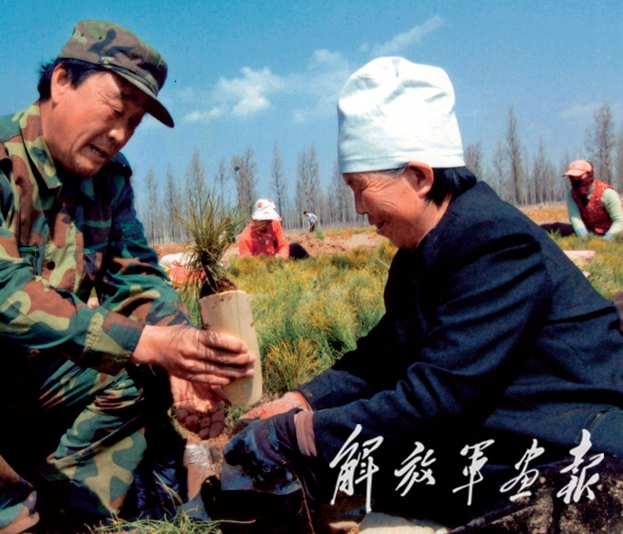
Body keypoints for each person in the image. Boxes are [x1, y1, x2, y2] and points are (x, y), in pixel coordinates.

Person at [0, 20, 254, 534]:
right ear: (62, 81)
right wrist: (153, 343)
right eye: (115, 110)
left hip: (33, 385)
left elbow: (137, 279)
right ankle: (4, 513)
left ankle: (69, 501)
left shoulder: (109, 181)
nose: (120, 134)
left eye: (134, 123)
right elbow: (4, 293)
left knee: (150, 361)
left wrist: (184, 357)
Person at [223, 57, 623, 527]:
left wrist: (301, 435)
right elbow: (385, 356)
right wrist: (303, 401)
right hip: (510, 436)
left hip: (575, 449)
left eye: (361, 188)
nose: (358, 207)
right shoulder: (421, 251)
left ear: (420, 176)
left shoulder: (495, 245)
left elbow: (436, 398)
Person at [544, 160, 623, 239]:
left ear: (590, 175)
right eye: (572, 178)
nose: (576, 181)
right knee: (552, 228)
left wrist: (607, 238)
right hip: (586, 230)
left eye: (580, 177)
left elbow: (619, 221)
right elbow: (575, 217)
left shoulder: (607, 193)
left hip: (608, 232)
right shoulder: (571, 193)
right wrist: (583, 235)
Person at [238, 199, 310, 260]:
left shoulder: (274, 224)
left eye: (270, 220)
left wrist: (281, 258)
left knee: (296, 247)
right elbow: (247, 262)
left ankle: (313, 264)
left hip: (277, 259)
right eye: (264, 220)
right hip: (261, 266)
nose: (267, 223)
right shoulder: (246, 237)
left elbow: (283, 245)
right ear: (256, 219)